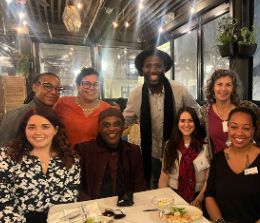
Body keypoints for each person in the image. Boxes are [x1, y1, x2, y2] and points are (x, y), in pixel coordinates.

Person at [0, 108, 80, 223]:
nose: (38, 132)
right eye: (31, 127)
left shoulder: (70, 160)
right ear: (24, 130)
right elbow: (3, 200)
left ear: (56, 130)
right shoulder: (7, 156)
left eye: (45, 126)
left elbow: (67, 201)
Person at [123, 48, 200, 189]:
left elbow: (197, 115)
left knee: (182, 186)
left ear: (165, 68)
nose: (153, 70)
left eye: (158, 65)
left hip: (180, 150)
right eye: (148, 65)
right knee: (156, 185)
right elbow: (125, 120)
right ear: (142, 69)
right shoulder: (136, 95)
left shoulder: (179, 90)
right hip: (153, 153)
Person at [205, 107, 260, 223]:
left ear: (254, 130)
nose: (239, 133)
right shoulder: (219, 159)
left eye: (246, 128)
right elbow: (210, 195)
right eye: (234, 127)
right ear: (228, 128)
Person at [76, 107, 147, 201]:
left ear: (123, 127)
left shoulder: (133, 151)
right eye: (106, 125)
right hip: (93, 208)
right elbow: (76, 187)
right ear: (99, 128)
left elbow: (140, 186)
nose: (112, 129)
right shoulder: (84, 150)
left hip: (126, 206)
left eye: (117, 124)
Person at [200, 69, 260, 159]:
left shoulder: (247, 107)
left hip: (247, 163)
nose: (223, 89)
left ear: (233, 89)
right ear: (212, 87)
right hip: (219, 165)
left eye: (228, 85)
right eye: (219, 84)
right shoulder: (205, 111)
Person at [158, 107, 209, 207]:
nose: (186, 125)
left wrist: (198, 200)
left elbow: (208, 180)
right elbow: (164, 177)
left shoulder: (205, 146)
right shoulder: (170, 145)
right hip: (173, 195)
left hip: (198, 197)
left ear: (196, 123)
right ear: (177, 124)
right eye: (182, 121)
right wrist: (163, 199)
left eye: (190, 121)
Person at [0, 72, 62, 147]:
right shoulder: (17, 115)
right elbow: (3, 148)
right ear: (34, 87)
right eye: (48, 86)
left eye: (58, 89)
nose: (53, 92)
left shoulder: (55, 115)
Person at [54, 67, 111, 146]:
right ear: (78, 86)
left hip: (95, 156)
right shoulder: (63, 103)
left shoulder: (107, 109)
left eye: (96, 84)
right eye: (86, 84)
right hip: (66, 155)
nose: (92, 88)